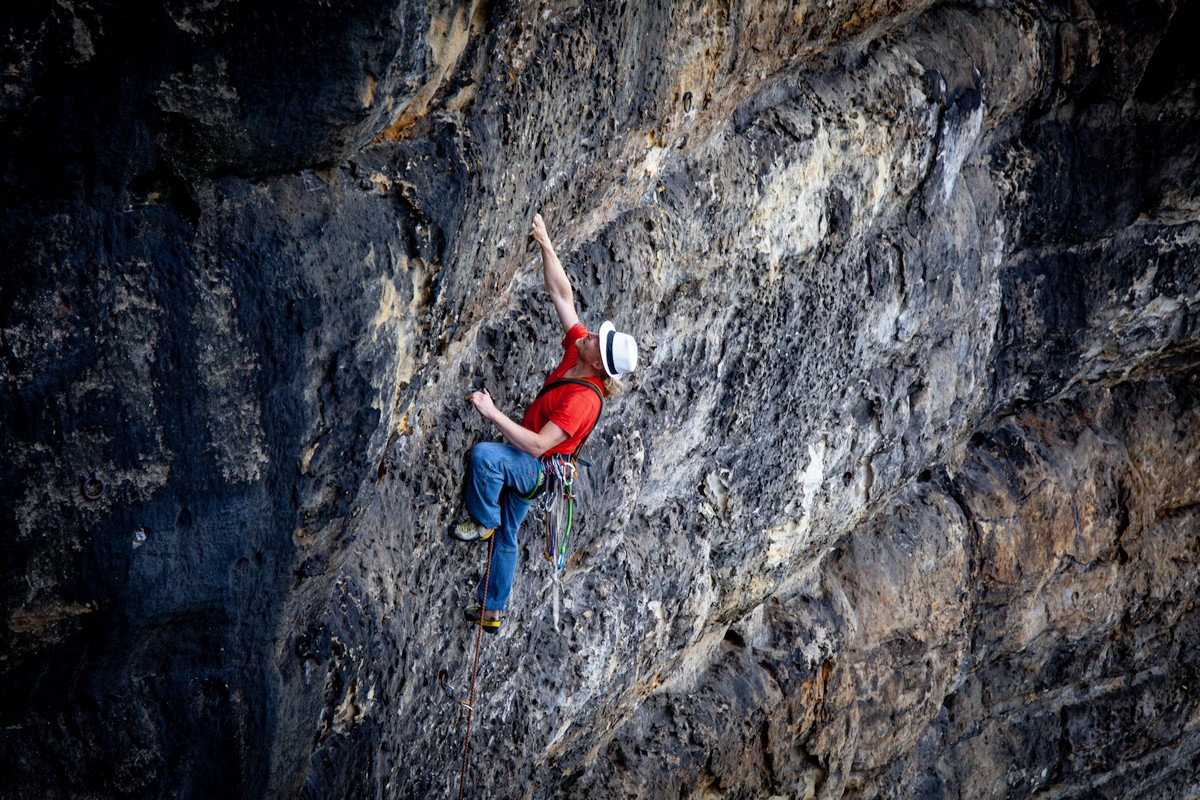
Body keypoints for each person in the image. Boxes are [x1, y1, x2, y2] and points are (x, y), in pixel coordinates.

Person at [448, 213, 638, 634]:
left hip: (534, 466)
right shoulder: (580, 355)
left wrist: (492, 412)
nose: (589, 335)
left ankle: (482, 520)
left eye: (595, 341)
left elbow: (536, 446)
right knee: (509, 535)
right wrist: (546, 245)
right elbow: (562, 295)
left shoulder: (581, 402)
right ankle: (492, 609)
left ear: (599, 363)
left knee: (486, 459)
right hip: (537, 464)